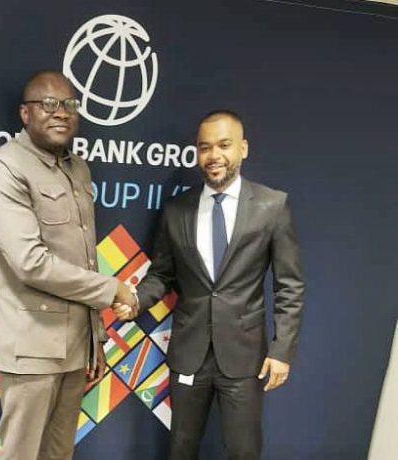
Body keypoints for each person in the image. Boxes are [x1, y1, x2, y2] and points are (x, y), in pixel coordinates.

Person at [114, 110, 305, 459]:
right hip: (189, 353)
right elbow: (162, 275)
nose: (213, 155)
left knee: (244, 451)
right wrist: (137, 301)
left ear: (243, 149)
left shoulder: (272, 206)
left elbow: (289, 285)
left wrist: (281, 351)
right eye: (205, 147)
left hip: (245, 357)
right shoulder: (176, 210)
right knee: (181, 449)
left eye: (224, 145)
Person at [0, 70, 135, 460]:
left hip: (75, 348)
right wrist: (112, 289)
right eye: (48, 104)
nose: (61, 112)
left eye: (69, 105)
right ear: (25, 113)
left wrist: (95, 340)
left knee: (59, 454)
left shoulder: (78, 168)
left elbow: (84, 258)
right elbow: (30, 263)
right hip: (31, 348)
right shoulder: (2, 166)